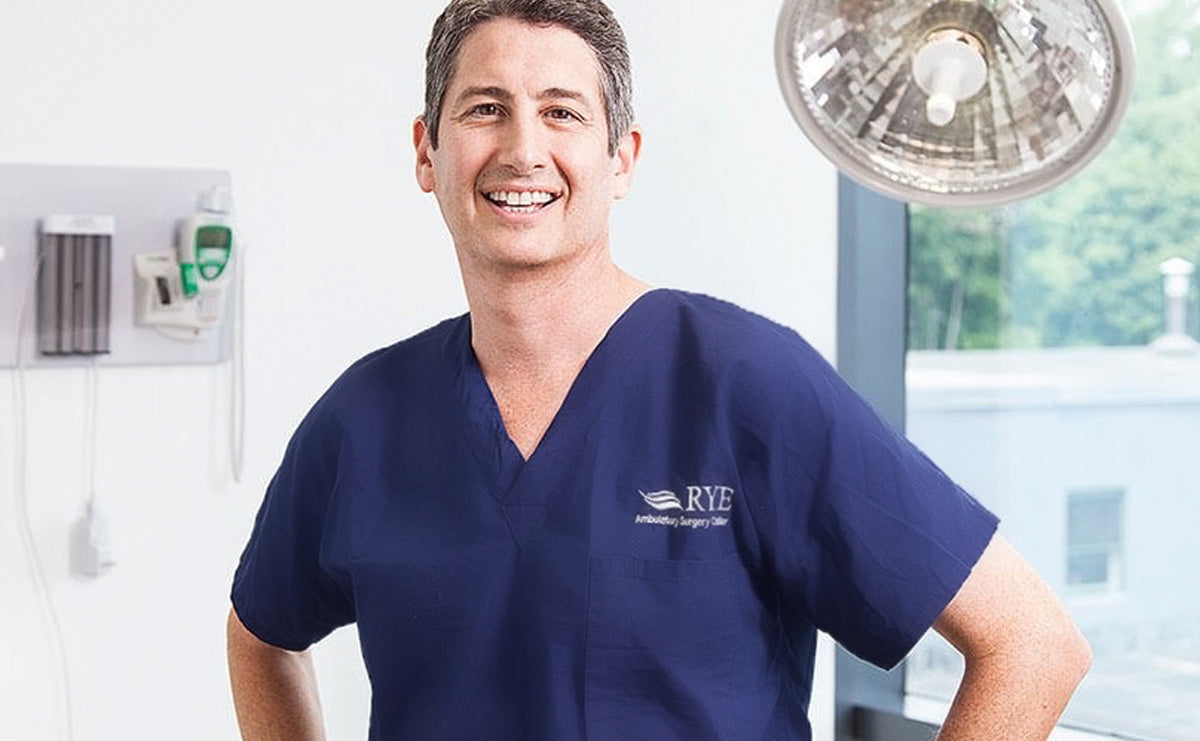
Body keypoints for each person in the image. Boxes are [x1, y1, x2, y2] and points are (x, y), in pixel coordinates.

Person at [226, 0, 1092, 739]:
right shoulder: (364, 420)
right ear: (428, 152)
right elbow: (260, 633)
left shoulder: (746, 383)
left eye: (562, 112)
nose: (524, 149)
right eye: (485, 108)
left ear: (622, 159)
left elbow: (1032, 643)